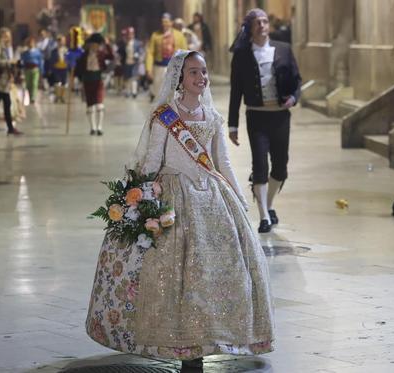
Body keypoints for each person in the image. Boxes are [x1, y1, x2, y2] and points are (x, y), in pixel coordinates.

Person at [86, 50, 274, 369]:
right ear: (179, 78)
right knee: (172, 272)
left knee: (213, 272)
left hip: (211, 196)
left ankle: (207, 335)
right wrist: (139, 192)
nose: (201, 78)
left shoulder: (212, 118)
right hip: (172, 195)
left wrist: (240, 201)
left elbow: (223, 163)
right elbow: (152, 160)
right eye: (193, 73)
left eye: (203, 72)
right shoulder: (165, 116)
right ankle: (174, 337)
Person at [228, 8, 302, 233]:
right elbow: (236, 91)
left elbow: (297, 80)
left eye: (264, 21)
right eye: (257, 22)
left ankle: (268, 205)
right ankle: (263, 217)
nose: (262, 25)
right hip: (256, 116)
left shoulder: (284, 49)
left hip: (280, 116)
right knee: (260, 165)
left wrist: (293, 98)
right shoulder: (242, 55)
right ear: (250, 28)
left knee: (280, 167)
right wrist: (233, 125)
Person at [74, 33, 114, 136]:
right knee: (90, 106)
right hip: (87, 81)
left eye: (97, 45)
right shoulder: (84, 55)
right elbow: (78, 67)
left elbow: (111, 56)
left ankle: (100, 127)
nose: (95, 46)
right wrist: (75, 73)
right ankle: (93, 128)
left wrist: (107, 44)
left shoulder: (101, 53)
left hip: (98, 80)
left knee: (100, 105)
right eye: (93, 44)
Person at [145, 13, 187, 102]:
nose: (165, 24)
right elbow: (150, 53)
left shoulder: (179, 35)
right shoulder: (155, 35)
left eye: (167, 22)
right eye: (163, 22)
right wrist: (149, 69)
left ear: (171, 23)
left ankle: (173, 113)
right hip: (159, 67)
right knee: (159, 93)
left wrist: (185, 68)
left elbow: (185, 52)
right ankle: (159, 113)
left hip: (174, 67)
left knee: (173, 93)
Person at [117, 27, 143, 98]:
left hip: (134, 62)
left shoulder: (137, 43)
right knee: (127, 77)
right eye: (128, 34)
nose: (130, 36)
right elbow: (120, 52)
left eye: (131, 34)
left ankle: (134, 92)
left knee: (134, 77)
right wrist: (119, 58)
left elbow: (140, 51)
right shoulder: (123, 43)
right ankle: (127, 91)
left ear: (133, 34)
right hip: (126, 62)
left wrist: (138, 56)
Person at [20, 37, 44, 104]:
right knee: (28, 84)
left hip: (35, 69)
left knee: (34, 83)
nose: (30, 44)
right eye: (29, 43)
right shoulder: (25, 53)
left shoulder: (38, 52)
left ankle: (33, 97)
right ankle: (30, 96)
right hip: (27, 69)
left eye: (32, 43)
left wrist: (41, 71)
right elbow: (23, 62)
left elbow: (40, 62)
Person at [47, 34, 69, 103]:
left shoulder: (67, 50)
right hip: (57, 69)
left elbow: (70, 60)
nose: (61, 42)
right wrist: (50, 69)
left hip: (64, 69)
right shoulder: (54, 51)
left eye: (62, 41)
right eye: (59, 41)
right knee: (57, 83)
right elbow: (51, 60)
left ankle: (62, 96)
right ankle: (57, 96)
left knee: (64, 84)